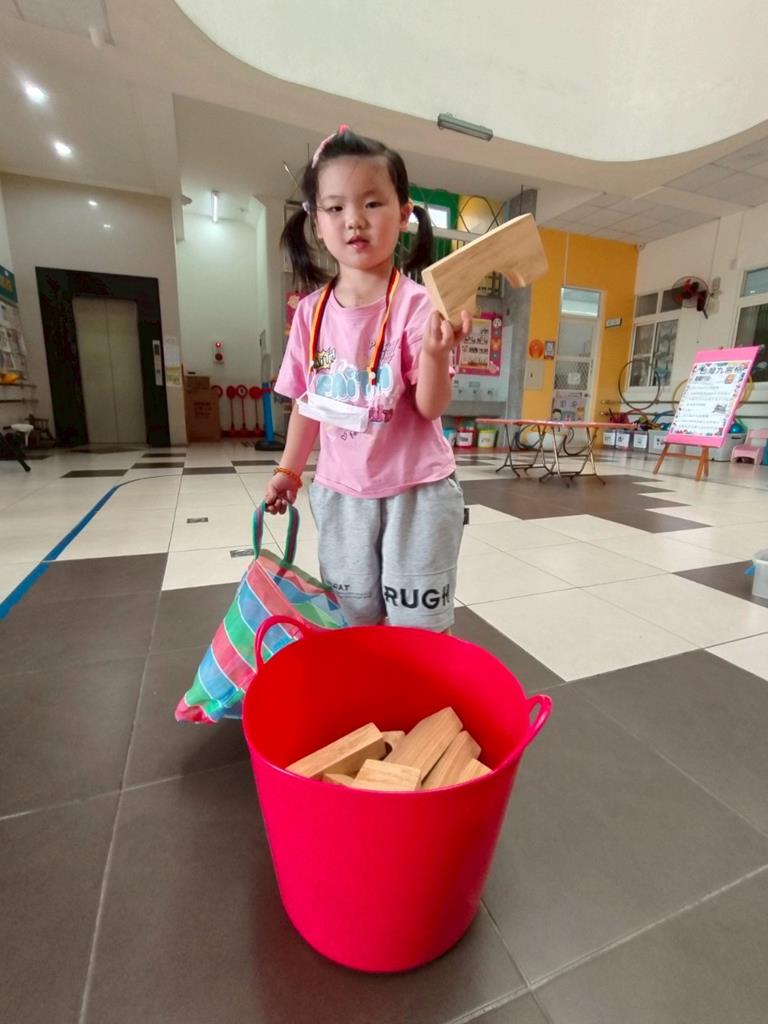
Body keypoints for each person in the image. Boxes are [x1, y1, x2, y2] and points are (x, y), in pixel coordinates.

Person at [266, 125, 470, 632]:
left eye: (372, 203)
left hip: (417, 493)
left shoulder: (419, 305)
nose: (354, 220)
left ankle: (418, 682)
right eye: (335, 207)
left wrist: (435, 353)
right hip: (342, 494)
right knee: (353, 620)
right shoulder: (309, 313)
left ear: (403, 214)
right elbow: (307, 404)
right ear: (316, 222)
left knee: (419, 624)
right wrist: (290, 471)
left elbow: (430, 407)